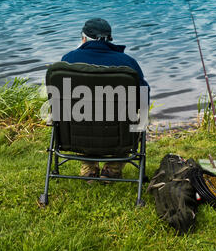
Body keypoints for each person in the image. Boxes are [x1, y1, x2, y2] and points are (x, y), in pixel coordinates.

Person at [61, 18, 150, 182]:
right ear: (110, 39)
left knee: (79, 115)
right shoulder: (127, 63)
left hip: (76, 134)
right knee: (137, 118)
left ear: (83, 38)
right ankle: (112, 169)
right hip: (119, 135)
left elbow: (59, 102)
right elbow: (143, 99)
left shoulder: (68, 60)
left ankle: (89, 169)